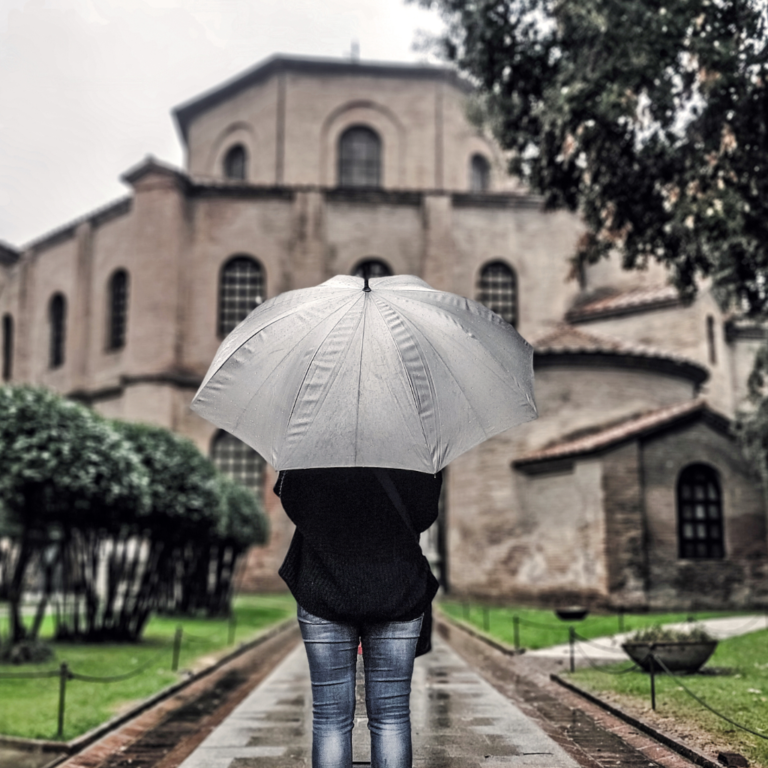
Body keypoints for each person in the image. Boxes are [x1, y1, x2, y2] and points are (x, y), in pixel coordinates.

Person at [275, 466, 442, 768]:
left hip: (322, 582)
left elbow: (292, 501)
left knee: (330, 720)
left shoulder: (310, 438)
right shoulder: (412, 443)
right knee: (392, 716)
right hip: (397, 585)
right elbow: (424, 514)